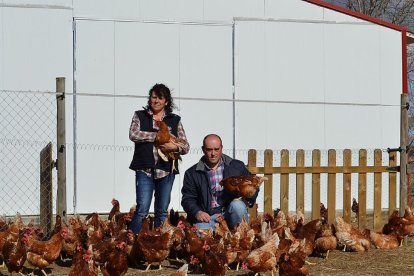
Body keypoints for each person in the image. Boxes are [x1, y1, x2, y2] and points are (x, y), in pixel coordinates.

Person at [128, 83, 189, 234]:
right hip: (145, 169)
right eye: (153, 97)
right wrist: (158, 136)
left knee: (162, 210)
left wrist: (174, 147)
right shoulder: (140, 116)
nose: (156, 101)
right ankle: (133, 242)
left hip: (166, 170)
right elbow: (133, 134)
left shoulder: (174, 120)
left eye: (160, 98)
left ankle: (158, 240)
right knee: (142, 209)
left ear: (166, 101)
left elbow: (186, 145)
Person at [181, 134, 258, 230]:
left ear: (222, 148)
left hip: (230, 212)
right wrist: (198, 212)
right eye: (209, 149)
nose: (213, 153)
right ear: (203, 149)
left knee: (238, 206)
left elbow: (253, 185)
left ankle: (238, 232)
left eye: (216, 149)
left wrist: (248, 201)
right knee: (201, 234)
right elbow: (188, 199)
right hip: (209, 216)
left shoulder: (236, 166)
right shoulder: (192, 173)